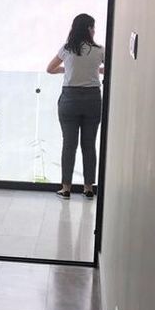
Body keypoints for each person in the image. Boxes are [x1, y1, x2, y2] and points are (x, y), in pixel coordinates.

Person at [46, 13, 105, 199]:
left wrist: (68, 69)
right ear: (88, 28)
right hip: (92, 100)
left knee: (69, 145)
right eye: (93, 27)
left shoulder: (67, 49)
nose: (94, 31)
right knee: (89, 145)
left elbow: (50, 69)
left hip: (69, 100)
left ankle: (66, 188)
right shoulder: (99, 50)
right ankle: (88, 188)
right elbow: (111, 68)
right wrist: (95, 70)